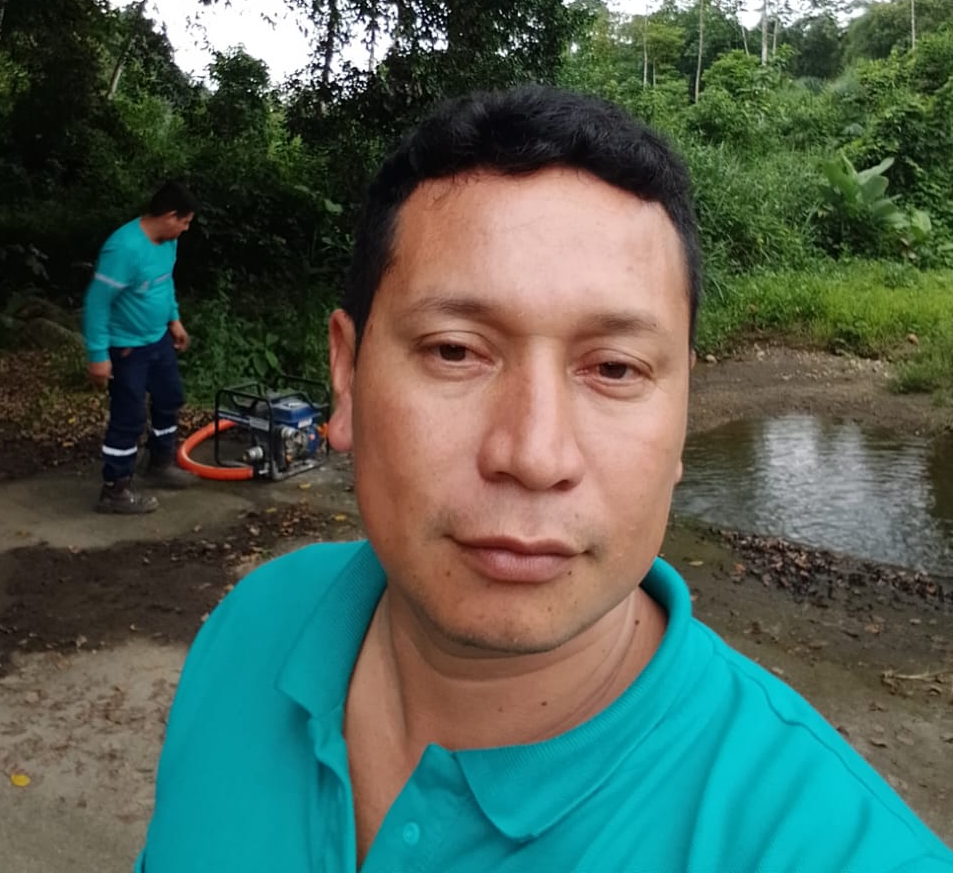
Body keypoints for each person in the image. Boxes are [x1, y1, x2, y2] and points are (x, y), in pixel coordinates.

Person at [137, 89, 952, 871]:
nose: (533, 455)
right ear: (346, 377)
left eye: (614, 368)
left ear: (681, 413)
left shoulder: (821, 847)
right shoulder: (253, 625)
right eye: (455, 351)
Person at [83, 180, 197, 515]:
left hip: (157, 339)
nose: (186, 229)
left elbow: (164, 282)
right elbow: (97, 303)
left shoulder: (168, 242)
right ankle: (115, 488)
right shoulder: (123, 249)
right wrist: (98, 355)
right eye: (185, 222)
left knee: (170, 397)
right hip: (127, 347)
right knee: (129, 416)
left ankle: (160, 462)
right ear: (170, 216)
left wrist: (174, 319)